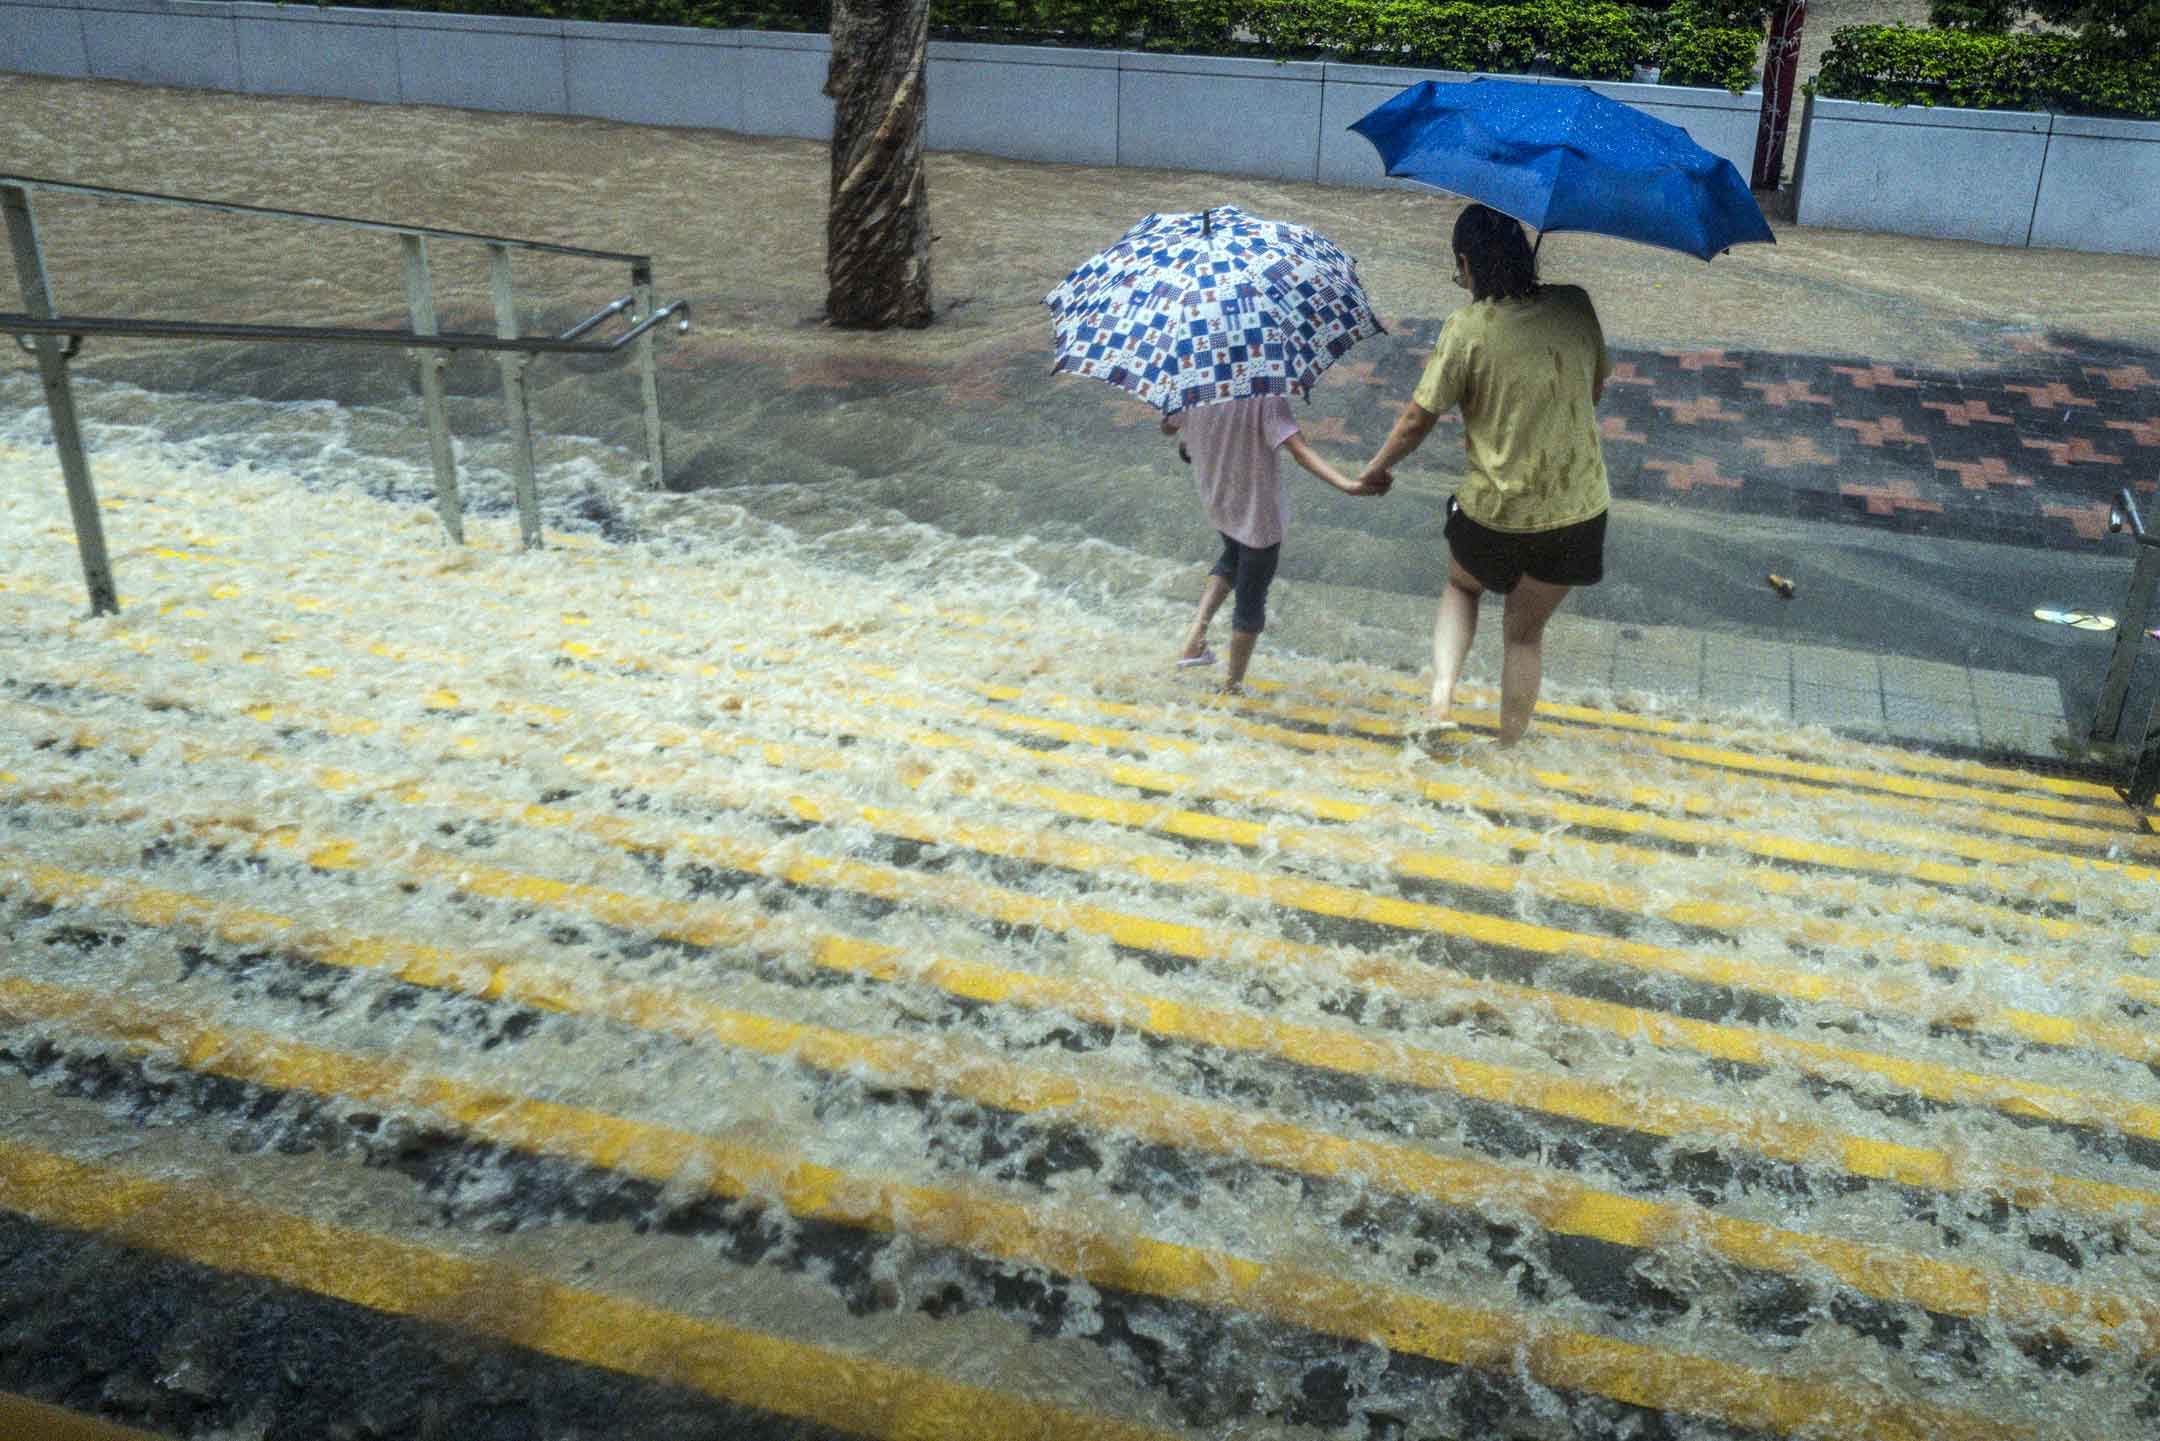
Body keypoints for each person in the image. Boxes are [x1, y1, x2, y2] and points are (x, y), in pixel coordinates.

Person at [1358, 204, 1612, 747]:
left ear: (1467, 263)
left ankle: (1441, 702)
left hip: (1493, 515)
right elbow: (1592, 390)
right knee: (1524, 637)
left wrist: (1375, 471)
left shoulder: (1466, 328)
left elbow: (1415, 420)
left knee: (1460, 584)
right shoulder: (1576, 306)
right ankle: (1508, 750)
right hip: (1576, 516)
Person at [1166, 392, 1382, 694]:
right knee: (1250, 604)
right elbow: (1299, 451)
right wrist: (1348, 485)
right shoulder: (1265, 398)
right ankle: (1232, 687)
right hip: (1258, 516)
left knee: (1232, 557)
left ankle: (1193, 641)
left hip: (1217, 499)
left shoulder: (1196, 386)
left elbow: (1168, 426)